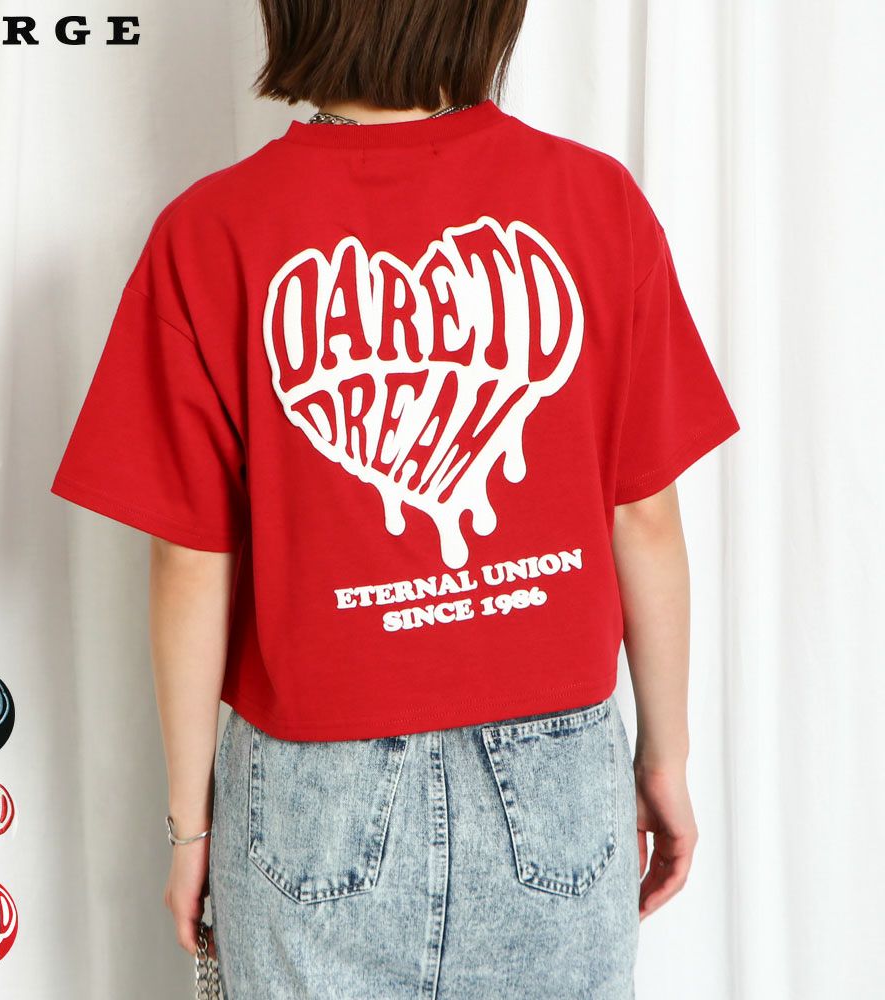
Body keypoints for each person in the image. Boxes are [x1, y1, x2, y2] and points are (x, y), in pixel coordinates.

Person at [49, 1, 740, 996]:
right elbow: (645, 514)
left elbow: (193, 557)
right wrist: (664, 764)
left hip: (310, 785)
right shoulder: (595, 198)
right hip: (559, 773)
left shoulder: (212, 229)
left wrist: (189, 825)